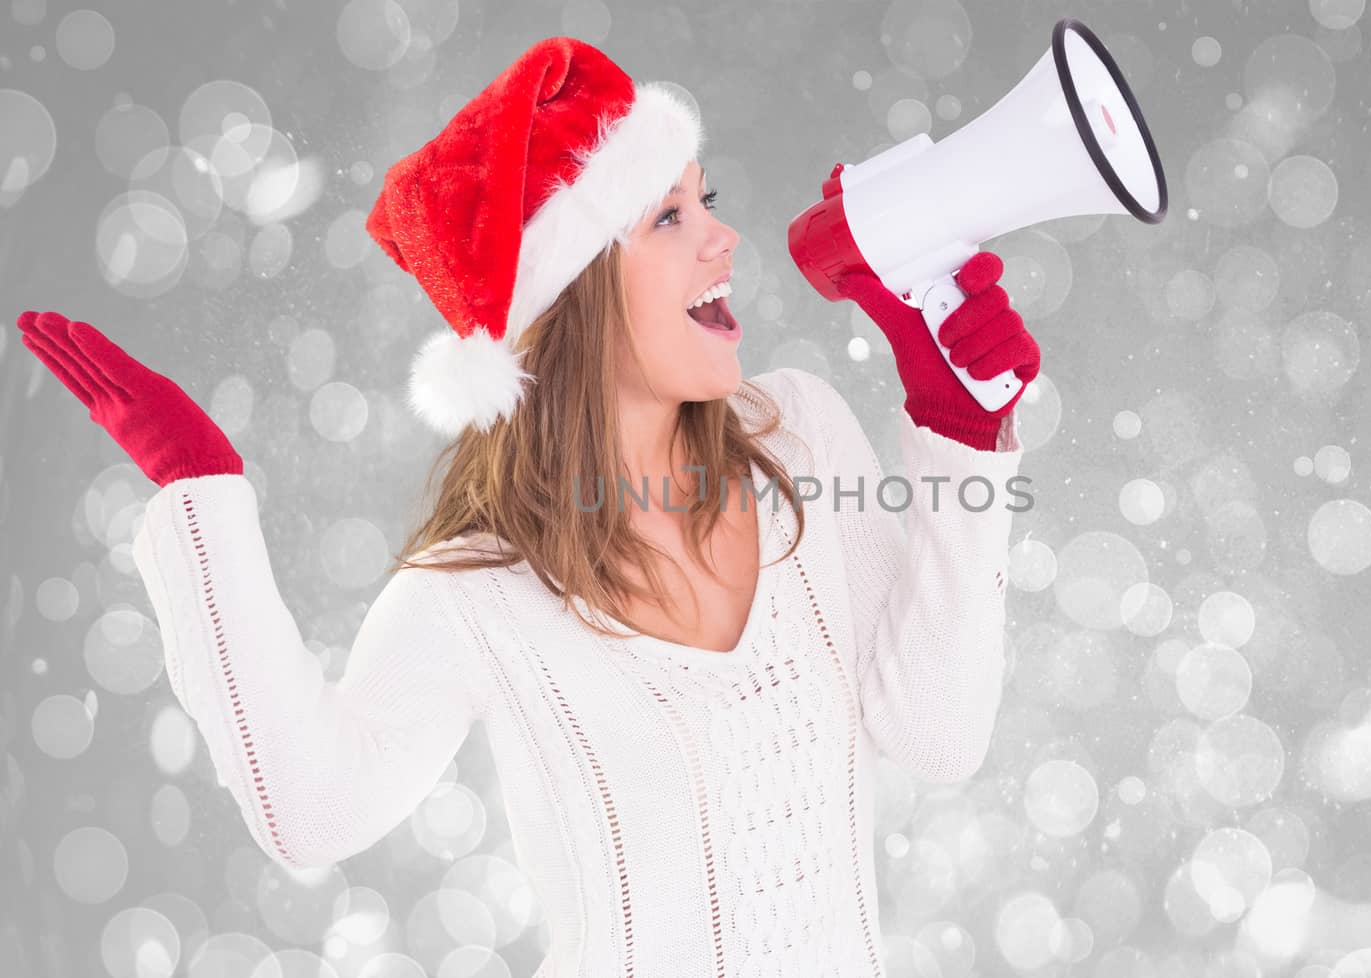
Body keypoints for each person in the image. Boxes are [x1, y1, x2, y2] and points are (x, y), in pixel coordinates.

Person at [14, 36, 1039, 977]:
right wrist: (203, 503)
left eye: (706, 197)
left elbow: (934, 736)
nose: (725, 238)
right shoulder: (479, 589)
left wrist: (961, 439)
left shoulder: (799, 439)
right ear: (572, 294)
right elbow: (312, 810)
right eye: (670, 216)